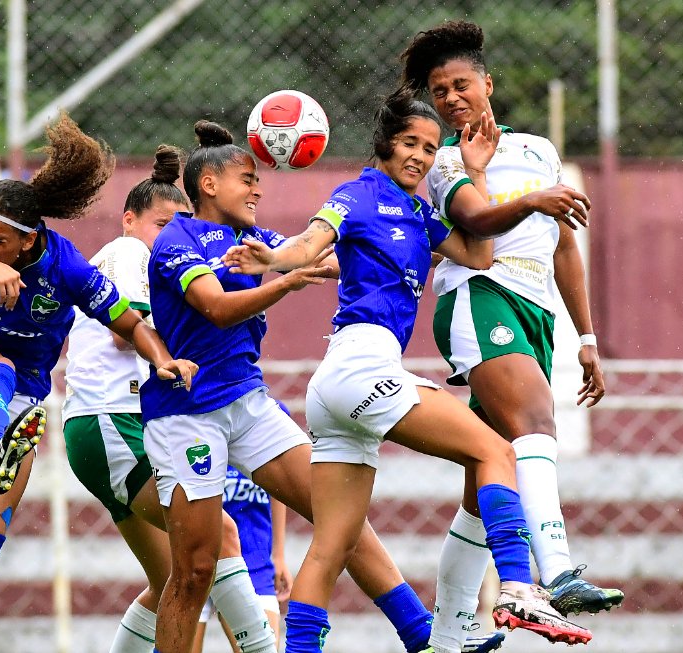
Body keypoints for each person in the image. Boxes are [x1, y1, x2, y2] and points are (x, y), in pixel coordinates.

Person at [221, 86, 593, 652]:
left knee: (332, 544)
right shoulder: (357, 194)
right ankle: (518, 586)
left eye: (428, 146)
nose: (419, 156)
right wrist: (272, 260)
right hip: (359, 365)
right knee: (496, 451)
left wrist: (473, 170)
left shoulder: (421, 212)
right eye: (407, 144)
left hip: (338, 389)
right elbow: (307, 242)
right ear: (384, 146)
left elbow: (480, 255)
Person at [142, 119, 459, 653]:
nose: (258, 189)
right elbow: (217, 308)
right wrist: (286, 282)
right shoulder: (178, 238)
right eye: (247, 179)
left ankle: (419, 633)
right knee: (195, 569)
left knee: (338, 515)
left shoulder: (254, 240)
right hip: (186, 415)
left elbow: (322, 256)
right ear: (210, 185)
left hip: (246, 403)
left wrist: (389, 245)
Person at [0, 114, 197, 653]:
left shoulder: (69, 269)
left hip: (21, 398)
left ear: (30, 242)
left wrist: (164, 359)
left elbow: (129, 323)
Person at [400, 19, 624, 651]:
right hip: (480, 297)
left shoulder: (536, 152)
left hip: (537, 313)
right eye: (439, 91)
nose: (450, 98)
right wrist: (534, 202)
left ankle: (449, 632)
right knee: (536, 423)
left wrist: (587, 339)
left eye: (460, 84)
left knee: (484, 483)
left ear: (487, 83)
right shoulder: (439, 160)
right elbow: (474, 221)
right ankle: (553, 573)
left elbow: (564, 249)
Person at [62, 145, 280, 653]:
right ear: (128, 220)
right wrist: (205, 316)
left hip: (107, 427)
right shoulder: (129, 253)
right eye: (161, 224)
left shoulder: (152, 254)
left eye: (179, 225)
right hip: (113, 420)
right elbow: (127, 332)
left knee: (173, 582)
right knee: (221, 534)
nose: (170, 237)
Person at [191, 465, 291, 653]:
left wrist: (279, 555)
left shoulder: (264, 439)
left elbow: (279, 485)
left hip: (254, 559)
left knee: (264, 649)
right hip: (194, 560)